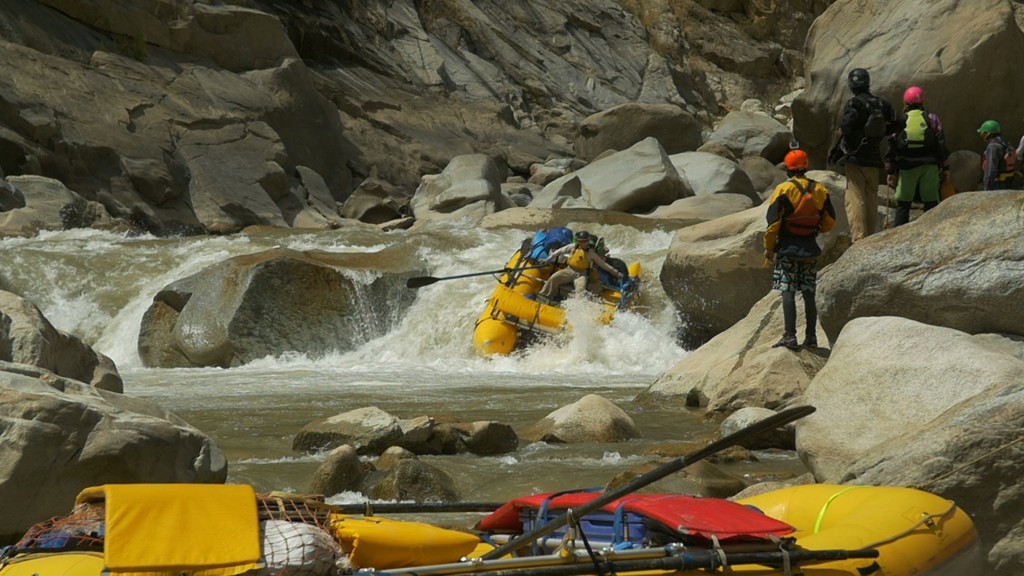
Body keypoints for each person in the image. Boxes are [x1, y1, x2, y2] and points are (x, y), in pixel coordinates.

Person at [763, 149, 837, 350]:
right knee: (808, 292)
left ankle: (789, 336)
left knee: (787, 292)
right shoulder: (820, 189)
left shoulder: (783, 189)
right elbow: (830, 221)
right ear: (806, 167)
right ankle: (811, 337)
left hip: (787, 248)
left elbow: (773, 224)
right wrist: (816, 229)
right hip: (810, 248)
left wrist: (769, 247)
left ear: (788, 169)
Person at [835, 68, 897, 242]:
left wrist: (844, 133)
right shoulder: (882, 104)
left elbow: (847, 125)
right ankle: (871, 236)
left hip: (855, 157)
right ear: (868, 83)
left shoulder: (854, 104)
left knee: (855, 197)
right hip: (874, 157)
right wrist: (882, 133)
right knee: (871, 197)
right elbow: (898, 122)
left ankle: (859, 238)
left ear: (851, 85)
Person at [884, 86, 950, 226]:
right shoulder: (932, 119)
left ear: (905, 103)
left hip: (907, 167)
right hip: (930, 166)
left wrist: (890, 171)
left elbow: (891, 146)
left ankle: (899, 232)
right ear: (922, 102)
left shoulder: (900, 120)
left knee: (903, 203)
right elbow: (941, 144)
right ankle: (931, 230)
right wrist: (946, 168)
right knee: (931, 202)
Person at [538, 230, 623, 302]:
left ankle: (577, 308)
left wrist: (616, 273)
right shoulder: (573, 247)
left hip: (581, 275)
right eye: (580, 241)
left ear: (588, 241)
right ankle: (544, 297)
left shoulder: (591, 253)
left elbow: (603, 265)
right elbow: (558, 252)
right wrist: (546, 260)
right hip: (569, 270)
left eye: (584, 241)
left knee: (580, 290)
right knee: (554, 278)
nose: (582, 243)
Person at [977, 120, 1018, 190]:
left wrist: (986, 187)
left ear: (988, 134)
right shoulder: (1005, 143)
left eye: (983, 134)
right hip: (1009, 182)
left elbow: (991, 169)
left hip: (997, 184)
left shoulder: (993, 147)